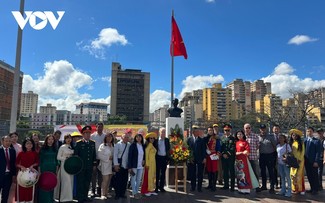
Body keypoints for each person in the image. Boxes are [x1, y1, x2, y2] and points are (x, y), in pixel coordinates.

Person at [74, 126, 97, 203]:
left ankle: (85, 196)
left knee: (87, 181)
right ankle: (80, 197)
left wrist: (94, 165)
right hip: (81, 166)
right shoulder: (79, 143)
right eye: (86, 133)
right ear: (83, 134)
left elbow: (94, 155)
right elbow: (76, 155)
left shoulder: (92, 143)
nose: (87, 135)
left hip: (89, 166)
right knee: (80, 182)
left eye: (89, 133)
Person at [16, 137, 39, 202]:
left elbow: (37, 162)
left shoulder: (35, 153)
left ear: (33, 145)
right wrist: (21, 166)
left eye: (31, 143)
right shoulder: (21, 153)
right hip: (22, 174)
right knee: (22, 188)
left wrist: (32, 166)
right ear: (24, 145)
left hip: (31, 174)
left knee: (30, 188)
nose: (29, 145)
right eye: (27, 143)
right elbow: (16, 163)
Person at [39, 134, 59, 203]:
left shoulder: (55, 149)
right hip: (44, 168)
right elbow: (40, 160)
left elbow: (57, 160)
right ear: (46, 140)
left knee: (51, 184)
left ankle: (50, 200)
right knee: (44, 184)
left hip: (52, 168)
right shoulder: (43, 149)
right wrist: (39, 171)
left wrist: (56, 169)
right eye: (49, 139)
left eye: (52, 139)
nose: (51, 141)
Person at [187, 125, 207, 192]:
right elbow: (187, 149)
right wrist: (189, 158)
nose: (197, 132)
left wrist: (204, 158)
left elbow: (204, 150)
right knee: (192, 173)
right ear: (193, 132)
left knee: (200, 173)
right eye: (196, 131)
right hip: (192, 159)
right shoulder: (189, 139)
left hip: (200, 159)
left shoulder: (201, 140)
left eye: (198, 131)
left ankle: (199, 187)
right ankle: (193, 187)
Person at [55, 134, 74, 202]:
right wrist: (65, 158)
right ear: (65, 139)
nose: (69, 140)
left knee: (70, 181)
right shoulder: (62, 147)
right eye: (67, 138)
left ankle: (70, 197)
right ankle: (63, 198)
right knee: (66, 181)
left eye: (70, 138)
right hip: (64, 166)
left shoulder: (71, 147)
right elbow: (58, 157)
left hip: (70, 166)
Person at [258, 124, 276, 193]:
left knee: (271, 171)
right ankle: (264, 186)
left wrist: (274, 156)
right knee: (262, 172)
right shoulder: (258, 137)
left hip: (270, 155)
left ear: (266, 129)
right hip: (262, 156)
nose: (263, 130)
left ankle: (272, 187)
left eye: (264, 129)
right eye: (261, 129)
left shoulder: (270, 137)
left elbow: (275, 146)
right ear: (260, 129)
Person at [113, 132, 131, 200]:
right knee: (118, 181)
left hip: (126, 166)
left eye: (127, 137)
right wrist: (116, 165)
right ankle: (117, 194)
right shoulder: (117, 144)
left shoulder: (129, 144)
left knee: (124, 181)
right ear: (122, 138)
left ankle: (122, 193)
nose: (126, 138)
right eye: (125, 137)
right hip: (119, 165)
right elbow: (115, 155)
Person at [128, 133, 145, 199]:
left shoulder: (143, 145)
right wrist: (129, 167)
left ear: (141, 138)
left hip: (140, 166)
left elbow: (144, 155)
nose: (138, 138)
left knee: (138, 180)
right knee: (133, 179)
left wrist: (144, 159)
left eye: (140, 137)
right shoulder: (133, 145)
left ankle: (136, 191)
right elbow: (130, 156)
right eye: (137, 137)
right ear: (135, 138)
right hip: (134, 165)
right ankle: (134, 193)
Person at [97, 132, 114, 200]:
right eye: (107, 137)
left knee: (109, 179)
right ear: (105, 138)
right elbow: (99, 155)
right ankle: (103, 194)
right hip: (105, 164)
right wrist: (108, 158)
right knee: (105, 180)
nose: (109, 138)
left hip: (111, 165)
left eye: (110, 137)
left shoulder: (113, 145)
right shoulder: (102, 145)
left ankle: (106, 193)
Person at [235, 130, 253, 194]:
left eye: (240, 134)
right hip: (237, 161)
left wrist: (240, 153)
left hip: (244, 160)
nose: (239, 135)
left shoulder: (245, 142)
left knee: (245, 174)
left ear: (243, 135)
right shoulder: (236, 142)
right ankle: (240, 188)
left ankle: (246, 189)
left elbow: (247, 151)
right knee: (239, 174)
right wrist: (238, 153)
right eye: (238, 134)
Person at [304, 127, 321, 195]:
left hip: (313, 162)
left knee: (314, 175)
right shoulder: (305, 140)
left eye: (310, 131)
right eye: (308, 131)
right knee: (309, 175)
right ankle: (312, 188)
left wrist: (316, 161)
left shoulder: (316, 141)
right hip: (307, 161)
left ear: (313, 132)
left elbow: (318, 152)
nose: (309, 132)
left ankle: (315, 189)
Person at [288, 129, 305, 195]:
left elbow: (303, 152)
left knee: (299, 175)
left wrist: (300, 159)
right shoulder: (291, 143)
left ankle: (301, 189)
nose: (293, 136)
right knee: (292, 175)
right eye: (292, 135)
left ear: (297, 136)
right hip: (293, 161)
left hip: (300, 161)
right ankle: (294, 189)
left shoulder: (301, 143)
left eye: (295, 135)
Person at [0, 135, 16, 203]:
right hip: (0, 175)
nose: (8, 142)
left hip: (8, 176)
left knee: (5, 194)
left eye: (9, 141)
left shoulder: (12, 151)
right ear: (2, 141)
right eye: (6, 141)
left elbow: (13, 164)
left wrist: (14, 175)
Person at [141, 132, 158, 196]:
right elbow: (146, 155)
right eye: (151, 138)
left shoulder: (152, 145)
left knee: (152, 176)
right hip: (149, 164)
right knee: (147, 177)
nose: (152, 139)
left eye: (153, 138)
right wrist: (147, 164)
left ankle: (151, 190)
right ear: (148, 139)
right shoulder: (148, 146)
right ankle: (145, 190)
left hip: (153, 163)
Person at [91, 122, 105, 197]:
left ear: (103, 128)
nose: (100, 128)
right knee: (93, 175)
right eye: (98, 127)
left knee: (101, 175)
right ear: (96, 127)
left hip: (102, 159)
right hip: (94, 158)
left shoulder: (105, 136)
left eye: (101, 127)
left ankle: (99, 190)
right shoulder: (92, 136)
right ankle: (93, 190)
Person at [220, 124, 236, 192]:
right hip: (224, 158)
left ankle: (232, 187)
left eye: (228, 130)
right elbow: (221, 147)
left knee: (231, 172)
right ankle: (226, 185)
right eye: (225, 130)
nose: (226, 131)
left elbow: (233, 148)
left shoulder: (233, 138)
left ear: (230, 130)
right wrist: (223, 154)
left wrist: (227, 154)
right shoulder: (222, 138)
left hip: (231, 158)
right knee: (225, 172)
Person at [155, 127, 170, 193]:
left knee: (163, 174)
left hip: (164, 159)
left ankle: (161, 187)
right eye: (162, 132)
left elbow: (168, 150)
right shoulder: (156, 140)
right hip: (158, 158)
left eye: (164, 132)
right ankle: (156, 187)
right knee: (157, 173)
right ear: (159, 133)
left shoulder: (167, 140)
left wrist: (168, 159)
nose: (163, 133)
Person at [205, 126, 221, 192]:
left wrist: (218, 153)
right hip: (208, 155)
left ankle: (214, 185)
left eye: (211, 130)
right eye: (209, 130)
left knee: (214, 170)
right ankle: (209, 184)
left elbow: (218, 146)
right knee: (209, 170)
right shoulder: (206, 138)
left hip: (214, 155)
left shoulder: (216, 138)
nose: (210, 131)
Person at [272, 124, 281, 189]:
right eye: (275, 129)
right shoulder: (270, 136)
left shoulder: (282, 136)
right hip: (273, 154)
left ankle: (282, 183)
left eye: (277, 129)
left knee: (281, 169)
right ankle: (275, 183)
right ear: (273, 129)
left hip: (281, 154)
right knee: (274, 169)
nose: (276, 130)